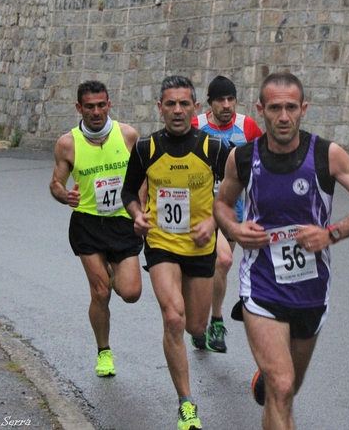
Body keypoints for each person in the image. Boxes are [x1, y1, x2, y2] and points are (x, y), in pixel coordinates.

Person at [214, 73, 349, 430]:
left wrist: (331, 233)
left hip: (310, 290)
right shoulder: (242, 158)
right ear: (261, 110)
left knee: (287, 391)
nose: (284, 116)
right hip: (261, 286)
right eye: (275, 108)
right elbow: (222, 205)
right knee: (282, 383)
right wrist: (234, 229)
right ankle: (272, 380)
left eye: (291, 107)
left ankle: (270, 386)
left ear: (303, 109)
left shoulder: (327, 154)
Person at [121, 75, 228, 430]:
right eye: (171, 104)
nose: (178, 110)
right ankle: (186, 403)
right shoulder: (146, 149)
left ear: (196, 108)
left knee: (194, 324)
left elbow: (233, 191)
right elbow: (128, 194)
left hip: (200, 246)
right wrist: (137, 216)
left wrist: (213, 223)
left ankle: (200, 331)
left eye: (185, 104)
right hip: (161, 243)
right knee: (173, 318)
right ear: (160, 108)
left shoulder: (213, 149)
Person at [49, 80, 143, 378]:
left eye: (101, 105)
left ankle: (113, 273)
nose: (96, 111)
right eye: (89, 106)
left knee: (130, 292)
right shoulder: (68, 143)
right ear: (79, 108)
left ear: (109, 105)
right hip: (87, 223)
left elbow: (144, 176)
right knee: (100, 292)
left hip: (122, 222)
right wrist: (64, 195)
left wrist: (142, 208)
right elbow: (55, 183)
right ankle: (104, 352)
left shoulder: (127, 135)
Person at [190, 75, 263, 353]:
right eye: (220, 100)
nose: (227, 105)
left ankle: (209, 322)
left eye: (231, 99)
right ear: (210, 104)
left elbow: (263, 165)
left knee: (221, 264)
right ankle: (211, 322)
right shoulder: (197, 125)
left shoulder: (248, 127)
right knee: (218, 262)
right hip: (197, 210)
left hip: (233, 211)